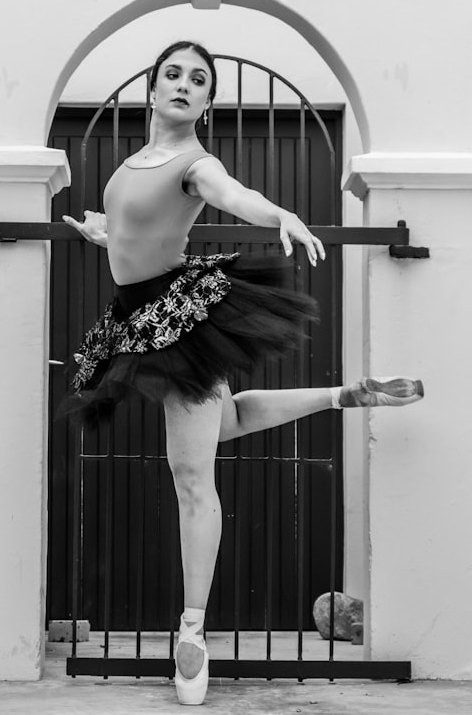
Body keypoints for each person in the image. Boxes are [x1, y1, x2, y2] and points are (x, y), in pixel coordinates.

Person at [61, 40, 423, 706]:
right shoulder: (133, 164)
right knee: (223, 424)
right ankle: (346, 394)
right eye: (172, 73)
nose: (183, 84)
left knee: (192, 476)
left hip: (177, 315)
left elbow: (231, 193)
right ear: (152, 88)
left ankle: (191, 633)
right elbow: (140, 228)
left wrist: (278, 213)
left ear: (206, 101)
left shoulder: (196, 162)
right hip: (138, 319)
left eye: (198, 80)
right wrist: (105, 233)